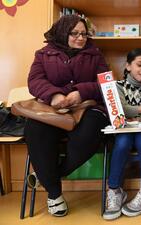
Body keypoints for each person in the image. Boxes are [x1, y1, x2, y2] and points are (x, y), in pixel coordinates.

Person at [24, 15, 110, 217]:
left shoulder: (95, 55)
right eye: (74, 33)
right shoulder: (43, 54)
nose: (80, 38)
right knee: (35, 130)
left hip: (87, 107)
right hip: (52, 108)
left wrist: (81, 92)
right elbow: (34, 81)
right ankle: (54, 194)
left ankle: (47, 177)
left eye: (84, 34)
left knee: (91, 131)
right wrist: (54, 95)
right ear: (63, 32)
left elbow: (105, 83)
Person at [103, 48, 141, 220]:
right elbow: (121, 109)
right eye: (139, 64)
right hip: (125, 131)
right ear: (128, 66)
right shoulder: (118, 86)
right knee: (122, 143)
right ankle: (114, 190)